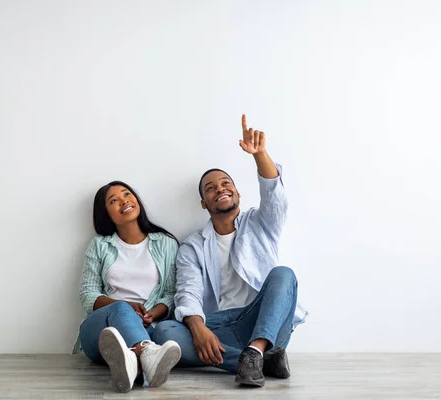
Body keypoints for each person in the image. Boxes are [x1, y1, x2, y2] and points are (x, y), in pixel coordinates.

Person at [153, 115, 307, 387]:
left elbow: (274, 197)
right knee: (164, 332)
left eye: (226, 184)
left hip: (265, 321)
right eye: (210, 189)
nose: (219, 189)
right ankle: (259, 360)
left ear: (237, 194)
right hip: (220, 326)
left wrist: (259, 153)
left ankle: (257, 348)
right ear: (204, 202)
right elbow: (187, 291)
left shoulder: (261, 224)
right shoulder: (192, 246)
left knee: (284, 275)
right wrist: (199, 329)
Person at [74, 181, 181, 393]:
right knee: (122, 308)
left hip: (146, 327)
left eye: (126, 194)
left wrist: (151, 313)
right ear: (106, 214)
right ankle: (146, 354)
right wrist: (124, 306)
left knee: (161, 330)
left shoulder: (166, 243)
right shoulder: (100, 245)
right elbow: (87, 294)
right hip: (99, 330)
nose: (123, 200)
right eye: (113, 201)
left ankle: (134, 363)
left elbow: (171, 293)